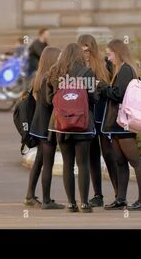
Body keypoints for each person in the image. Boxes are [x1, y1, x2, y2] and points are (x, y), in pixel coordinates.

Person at [98, 39, 141, 211]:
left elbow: (119, 94)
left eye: (110, 53)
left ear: (118, 53)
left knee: (135, 161)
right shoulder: (120, 69)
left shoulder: (126, 70)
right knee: (120, 162)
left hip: (124, 125)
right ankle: (121, 199)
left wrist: (103, 87)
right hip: (117, 124)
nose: (108, 57)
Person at [47, 43, 97, 213]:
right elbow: (93, 98)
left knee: (67, 164)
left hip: (61, 125)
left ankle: (71, 204)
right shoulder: (87, 73)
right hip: (82, 124)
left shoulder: (55, 73)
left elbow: (49, 100)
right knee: (83, 164)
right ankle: (84, 203)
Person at [77, 35, 118, 207]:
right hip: (87, 115)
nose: (85, 53)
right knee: (92, 155)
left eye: (88, 49)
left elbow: (113, 89)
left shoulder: (104, 64)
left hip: (104, 113)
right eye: (82, 49)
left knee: (108, 153)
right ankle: (98, 195)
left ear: (93, 49)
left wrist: (99, 85)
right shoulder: (76, 67)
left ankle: (119, 195)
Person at [24, 46, 64, 210]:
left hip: (38, 125)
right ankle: (46, 201)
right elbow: (49, 102)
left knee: (39, 161)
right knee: (48, 163)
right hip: (46, 127)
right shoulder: (49, 78)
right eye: (59, 57)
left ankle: (30, 196)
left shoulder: (39, 77)